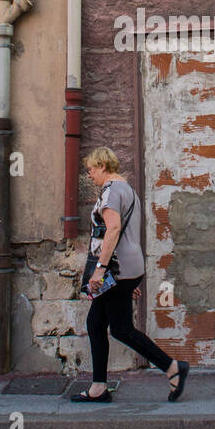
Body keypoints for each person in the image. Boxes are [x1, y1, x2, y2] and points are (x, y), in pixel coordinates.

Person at [71, 146, 189, 403]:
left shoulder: (111, 192)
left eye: (90, 170)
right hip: (126, 268)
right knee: (96, 323)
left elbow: (112, 230)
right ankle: (99, 387)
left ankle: (172, 367)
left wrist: (100, 271)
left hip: (115, 269)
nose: (89, 175)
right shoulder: (128, 190)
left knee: (121, 329)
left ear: (102, 166)